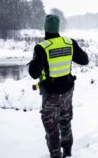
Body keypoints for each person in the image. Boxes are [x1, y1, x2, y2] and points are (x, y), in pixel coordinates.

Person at [28, 14, 89, 158]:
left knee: (52, 129)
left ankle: (56, 155)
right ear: (58, 27)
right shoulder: (69, 43)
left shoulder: (41, 48)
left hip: (51, 94)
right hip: (67, 92)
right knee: (65, 121)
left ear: (45, 28)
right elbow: (85, 60)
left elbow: (34, 74)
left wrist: (34, 61)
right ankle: (67, 153)